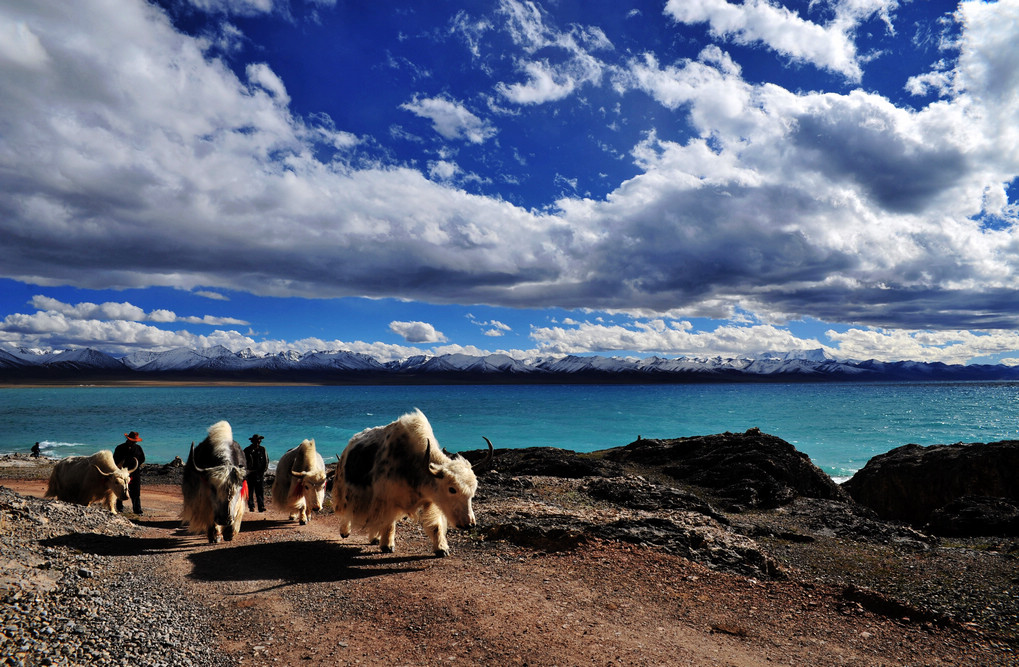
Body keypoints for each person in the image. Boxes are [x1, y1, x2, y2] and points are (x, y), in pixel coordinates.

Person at [113, 431, 146, 514]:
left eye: (135, 441)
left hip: (134, 472)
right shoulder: (120, 448)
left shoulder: (138, 448)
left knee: (136, 491)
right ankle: (119, 507)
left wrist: (136, 465)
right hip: (122, 472)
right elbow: (115, 460)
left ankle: (137, 509)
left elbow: (142, 459)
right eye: (133, 440)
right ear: (128, 439)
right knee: (121, 489)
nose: (134, 442)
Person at [244, 434, 269, 512]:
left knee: (260, 490)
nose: (258, 442)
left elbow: (266, 460)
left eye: (259, 440)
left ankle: (261, 506)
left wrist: (264, 470)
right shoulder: (247, 450)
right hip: (250, 474)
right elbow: (244, 462)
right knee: (250, 491)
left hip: (260, 473)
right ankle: (251, 506)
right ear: (252, 441)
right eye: (256, 441)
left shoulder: (263, 449)